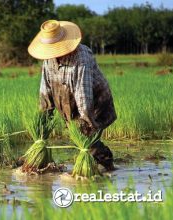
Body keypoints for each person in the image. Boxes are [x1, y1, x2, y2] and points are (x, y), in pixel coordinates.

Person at [28, 20, 117, 171]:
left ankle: (106, 166)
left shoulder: (81, 57)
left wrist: (86, 124)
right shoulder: (49, 60)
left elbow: (84, 95)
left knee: (88, 140)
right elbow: (45, 91)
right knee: (80, 138)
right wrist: (42, 126)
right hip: (70, 104)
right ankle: (93, 163)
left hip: (95, 103)